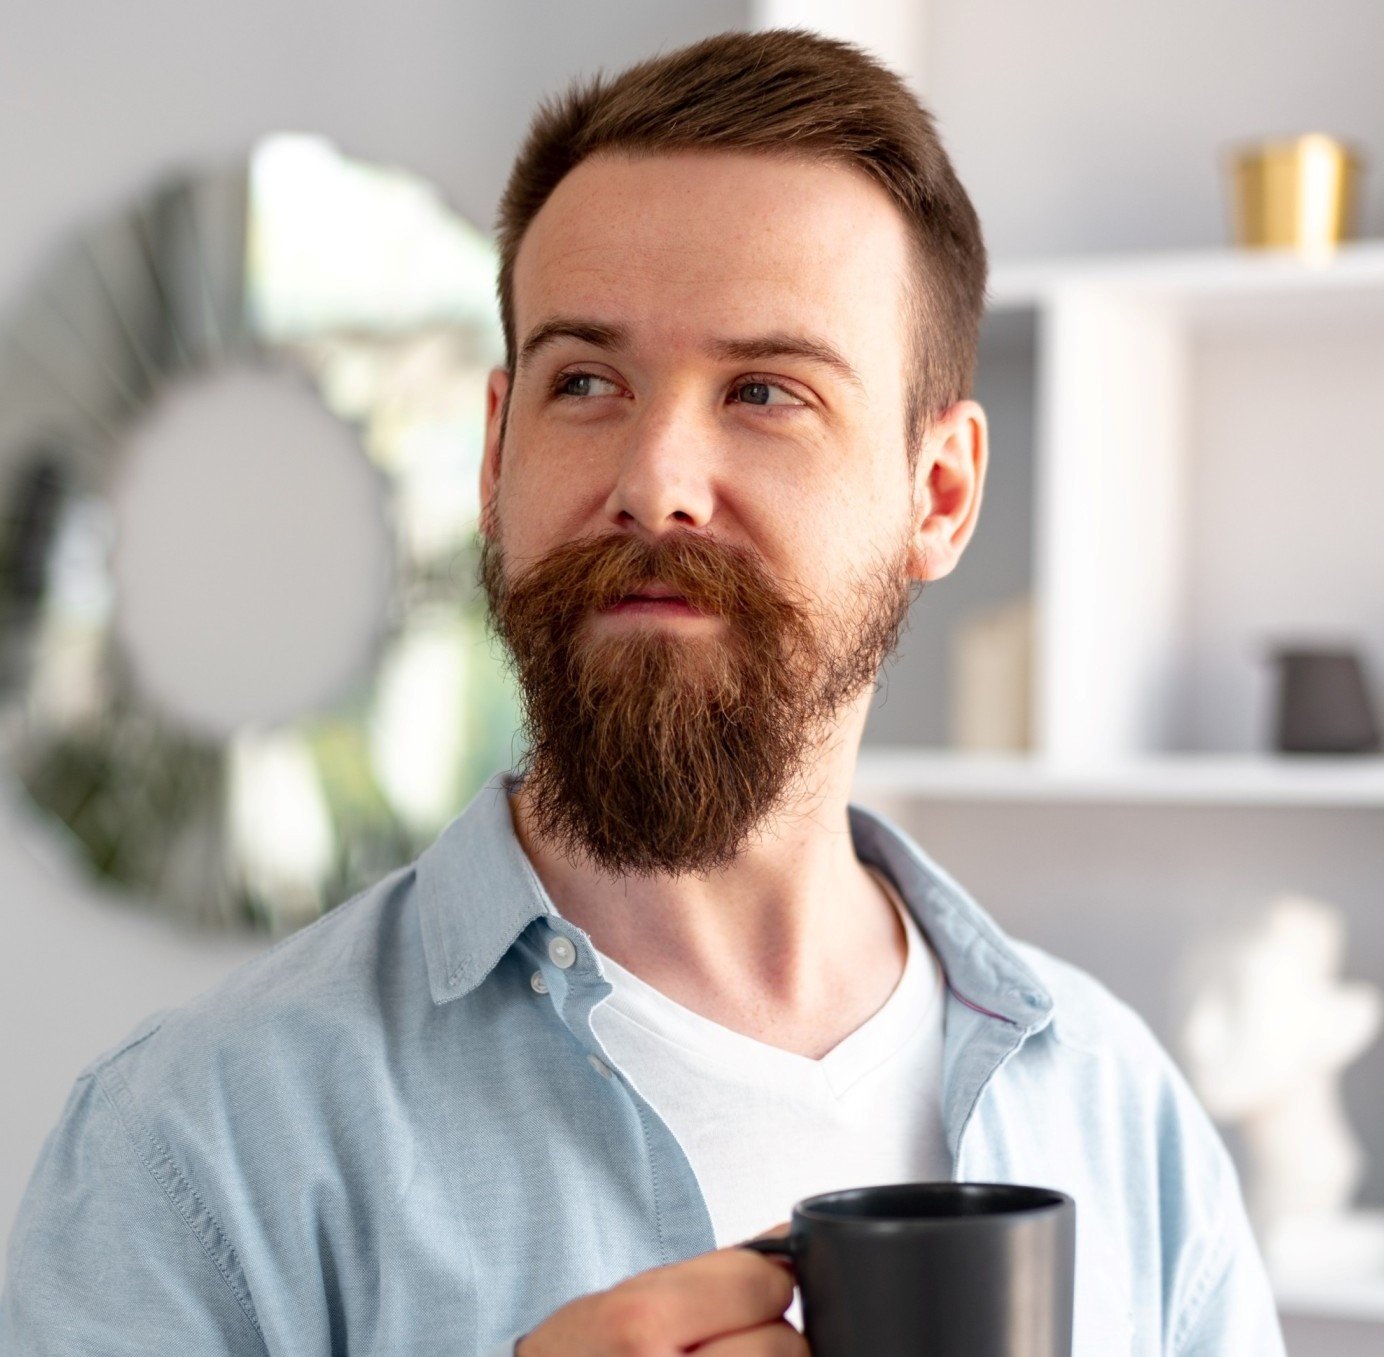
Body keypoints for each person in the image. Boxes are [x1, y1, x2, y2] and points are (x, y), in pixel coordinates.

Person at [0, 27, 1286, 1357]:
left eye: (766, 391)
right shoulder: (189, 1151)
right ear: (495, 453)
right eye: (585, 383)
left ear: (939, 493)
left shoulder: (1124, 1117)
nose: (654, 478)